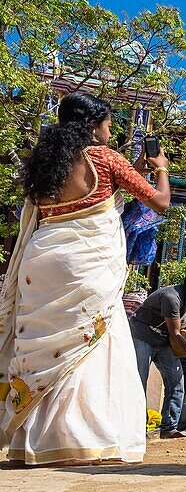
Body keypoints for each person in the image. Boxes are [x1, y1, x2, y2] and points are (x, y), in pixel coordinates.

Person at [0, 92, 172, 465]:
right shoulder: (105, 158)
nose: (112, 129)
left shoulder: (45, 164)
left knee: (43, 352)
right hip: (86, 267)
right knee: (89, 347)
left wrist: (133, 166)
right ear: (94, 125)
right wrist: (160, 169)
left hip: (40, 262)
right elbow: (159, 202)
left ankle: (29, 444)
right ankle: (81, 440)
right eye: (109, 123)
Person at [130, 265, 186, 438]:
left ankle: (169, 428)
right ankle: (135, 428)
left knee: (176, 382)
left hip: (164, 340)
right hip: (143, 335)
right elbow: (176, 333)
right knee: (139, 381)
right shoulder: (171, 297)